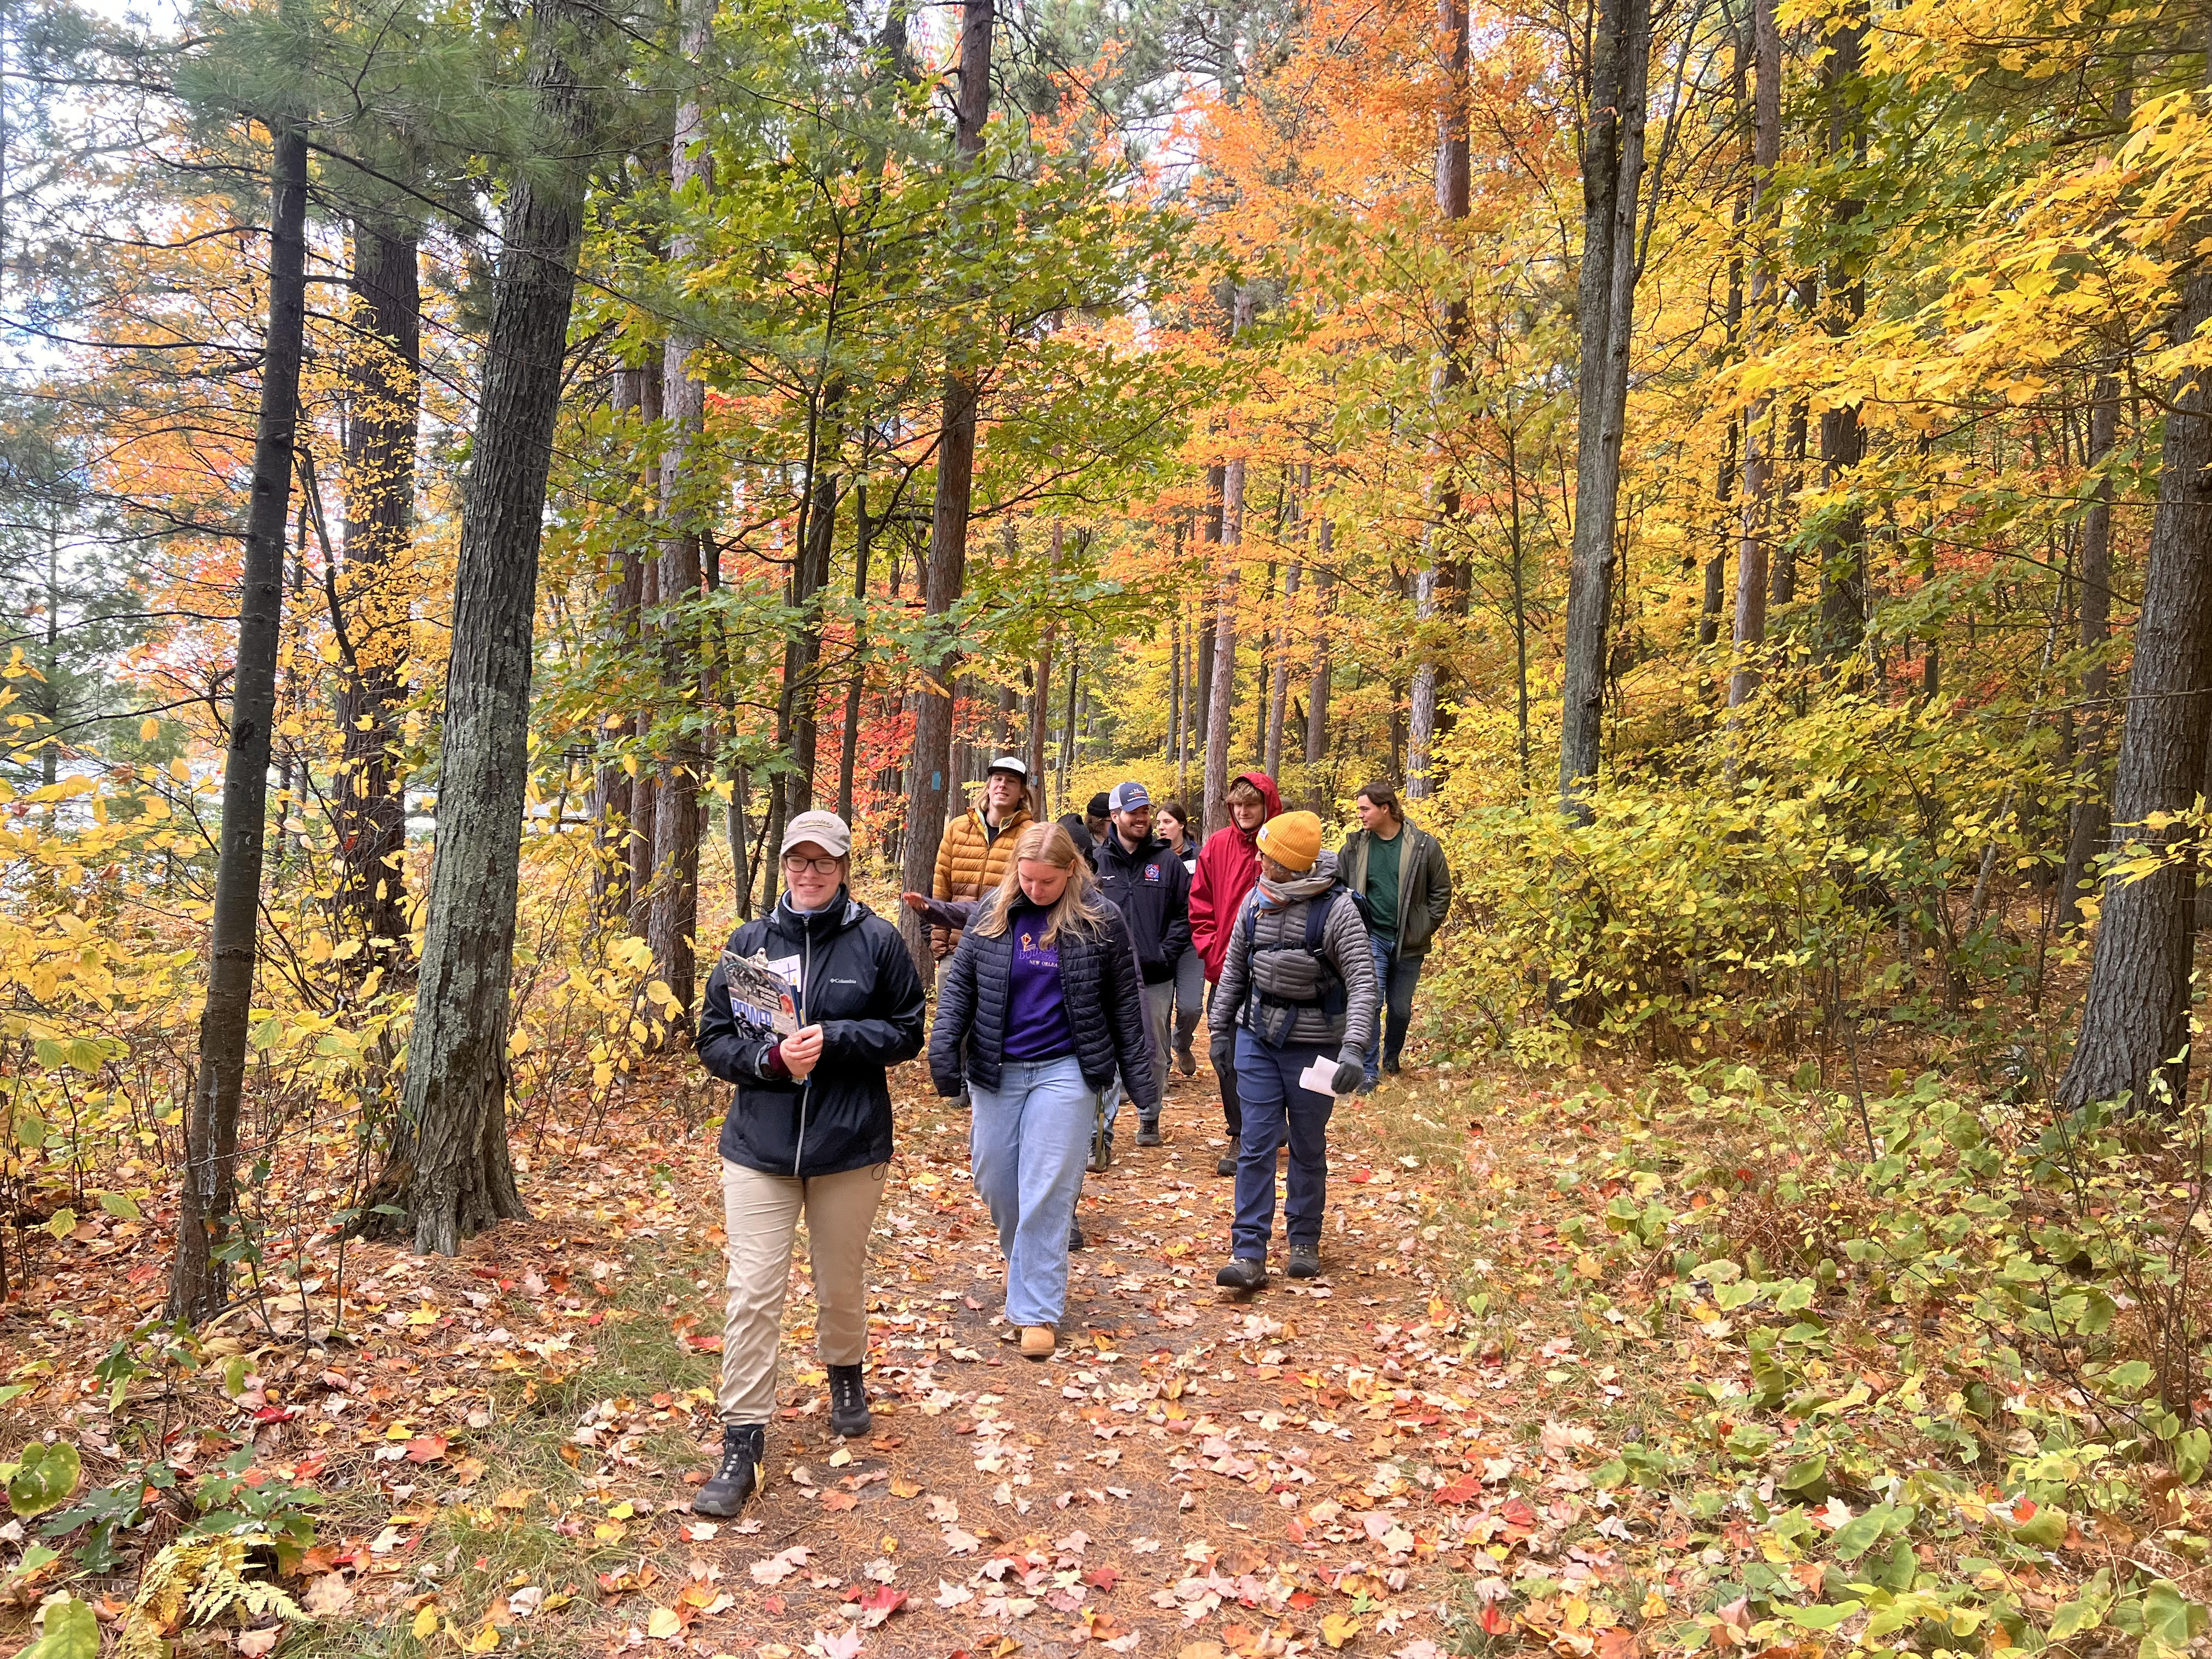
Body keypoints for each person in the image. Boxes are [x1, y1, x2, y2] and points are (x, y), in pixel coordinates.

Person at [691, 810, 927, 1514]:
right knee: (753, 1292)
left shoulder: (879, 942)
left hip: (847, 1146)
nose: (809, 873)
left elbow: (908, 1031)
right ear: (785, 866)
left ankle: (845, 1372)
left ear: (845, 866)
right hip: (759, 1147)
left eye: (823, 861)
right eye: (798, 861)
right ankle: (742, 1439)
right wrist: (769, 1059)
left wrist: (840, 1038)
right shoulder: (750, 945)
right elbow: (712, 1040)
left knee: (838, 1280)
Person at [929, 822, 1159, 1359]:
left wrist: (1142, 1081)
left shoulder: (1102, 920)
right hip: (997, 1068)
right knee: (994, 1178)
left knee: (1047, 1188)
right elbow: (962, 983)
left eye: (1048, 882)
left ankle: (1035, 1309)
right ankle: (1021, 1255)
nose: (1036, 890)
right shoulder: (993, 910)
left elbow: (1127, 1001)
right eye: (1027, 879)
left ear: (1072, 872)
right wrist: (944, 1048)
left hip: (1066, 1070)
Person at [1209, 810, 1376, 1291]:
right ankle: (1248, 1253)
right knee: (1257, 1144)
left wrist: (1353, 1051)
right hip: (1258, 1038)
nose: (1260, 861)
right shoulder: (1255, 901)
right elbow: (1233, 971)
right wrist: (1221, 1031)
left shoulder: (1338, 910)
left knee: (1306, 1143)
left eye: (1269, 856)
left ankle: (1304, 1239)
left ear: (1293, 864)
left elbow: (1364, 985)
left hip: (1316, 1046)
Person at [1187, 771, 1282, 1176]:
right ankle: (1241, 1130)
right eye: (1238, 805)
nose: (1243, 812)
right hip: (1227, 972)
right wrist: (1213, 954)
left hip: (1277, 975)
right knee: (1222, 1053)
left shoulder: (1283, 846)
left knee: (1271, 1052)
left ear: (1267, 806)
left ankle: (1268, 1126)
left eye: (1252, 805)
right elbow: (1201, 906)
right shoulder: (1218, 846)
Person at [1091, 781, 1192, 1148]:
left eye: (1145, 811)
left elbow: (1185, 913)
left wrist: (1165, 952)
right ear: (1115, 816)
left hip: (1155, 976)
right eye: (1133, 812)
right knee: (1105, 1051)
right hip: (1106, 976)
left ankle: (1149, 1116)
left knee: (1154, 1050)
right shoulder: (1096, 862)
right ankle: (1100, 1133)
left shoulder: (1167, 862)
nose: (1142, 818)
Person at [932, 757, 1035, 1108]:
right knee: (953, 1011)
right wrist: (939, 937)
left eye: (1011, 781)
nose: (1002, 785)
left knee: (991, 1014)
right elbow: (941, 885)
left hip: (1003, 941)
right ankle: (957, 1076)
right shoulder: (958, 828)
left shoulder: (1029, 834)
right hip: (957, 943)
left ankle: (985, 1074)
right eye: (997, 779)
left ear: (1022, 792)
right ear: (987, 785)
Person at [1339, 781, 1454, 1090]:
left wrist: (1424, 925)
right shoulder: (1354, 846)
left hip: (1409, 941)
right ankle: (1368, 1070)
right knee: (1371, 1002)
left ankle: (1391, 1058)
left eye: (1365, 809)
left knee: (1400, 1009)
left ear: (1385, 808)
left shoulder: (1423, 845)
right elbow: (1338, 887)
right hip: (1370, 936)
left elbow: (1441, 891)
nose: (1360, 815)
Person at [1154, 802, 1204, 1078]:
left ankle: (1182, 1043)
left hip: (1190, 942)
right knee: (1158, 1010)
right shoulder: (1151, 855)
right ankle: (1162, 1067)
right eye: (1159, 822)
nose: (1161, 827)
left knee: (1190, 1006)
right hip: (1159, 942)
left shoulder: (1199, 856)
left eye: (1167, 822)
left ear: (1182, 825)